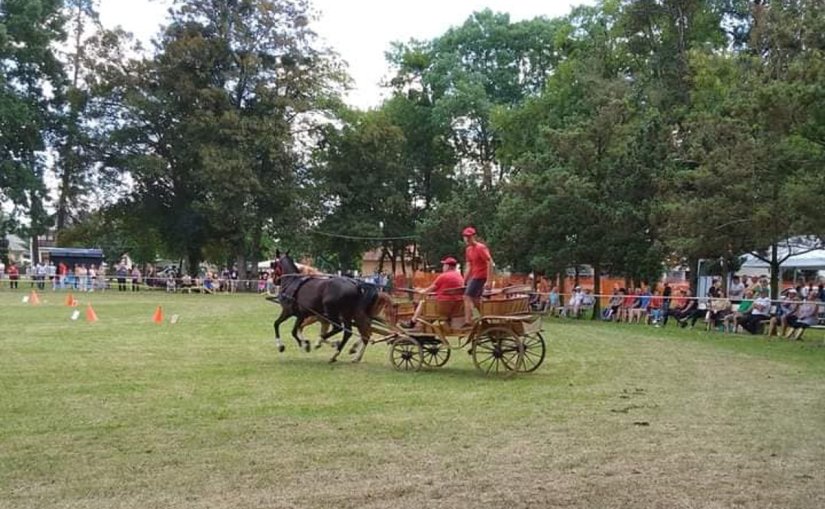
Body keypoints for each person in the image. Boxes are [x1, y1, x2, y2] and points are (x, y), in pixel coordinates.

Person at [401, 257, 464, 329]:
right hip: (457, 307)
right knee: (430, 301)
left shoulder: (443, 276)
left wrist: (419, 290)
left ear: (447, 266)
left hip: (444, 307)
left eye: (444, 265)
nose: (443, 267)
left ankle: (412, 322)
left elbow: (428, 291)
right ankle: (424, 325)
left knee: (423, 302)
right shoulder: (460, 276)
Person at [461, 226, 493, 326]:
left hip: (481, 276)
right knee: (475, 299)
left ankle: (468, 321)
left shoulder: (480, 247)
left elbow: (490, 262)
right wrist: (463, 280)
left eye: (469, 237)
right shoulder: (468, 250)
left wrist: (489, 280)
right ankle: (485, 318)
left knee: (466, 296)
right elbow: (469, 266)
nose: (467, 239)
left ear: (474, 236)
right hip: (474, 276)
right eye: (465, 237)